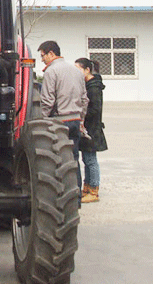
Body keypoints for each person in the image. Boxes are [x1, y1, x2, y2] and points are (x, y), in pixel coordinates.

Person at [38, 41, 89, 200]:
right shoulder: (76, 71)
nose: (42, 60)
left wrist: (42, 121)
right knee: (73, 160)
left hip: (59, 122)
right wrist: (81, 120)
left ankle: (60, 198)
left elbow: (47, 101)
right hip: (75, 120)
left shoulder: (51, 72)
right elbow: (84, 100)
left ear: (51, 53)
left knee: (57, 163)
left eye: (43, 56)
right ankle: (76, 198)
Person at [75, 58, 107, 203]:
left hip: (92, 129)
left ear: (87, 70)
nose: (76, 72)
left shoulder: (93, 87)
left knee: (91, 160)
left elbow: (94, 109)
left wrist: (82, 116)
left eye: (79, 69)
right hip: (87, 127)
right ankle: (87, 187)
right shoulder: (88, 84)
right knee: (86, 159)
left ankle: (94, 190)